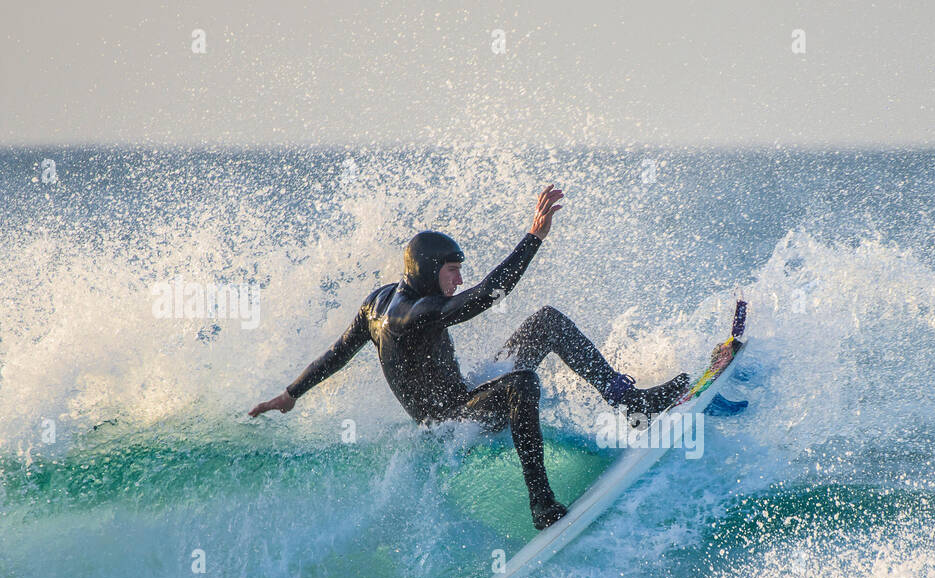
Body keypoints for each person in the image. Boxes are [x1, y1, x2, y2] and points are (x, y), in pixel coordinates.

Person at [249, 185, 689, 529]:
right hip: (452, 423)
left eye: (459, 270)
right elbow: (485, 297)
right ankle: (540, 502)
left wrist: (290, 394)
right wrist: (533, 238)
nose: (460, 279)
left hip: (465, 398)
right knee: (521, 385)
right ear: (427, 270)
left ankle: (628, 403)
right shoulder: (415, 313)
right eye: (452, 270)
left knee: (547, 321)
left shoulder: (377, 304)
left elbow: (336, 354)